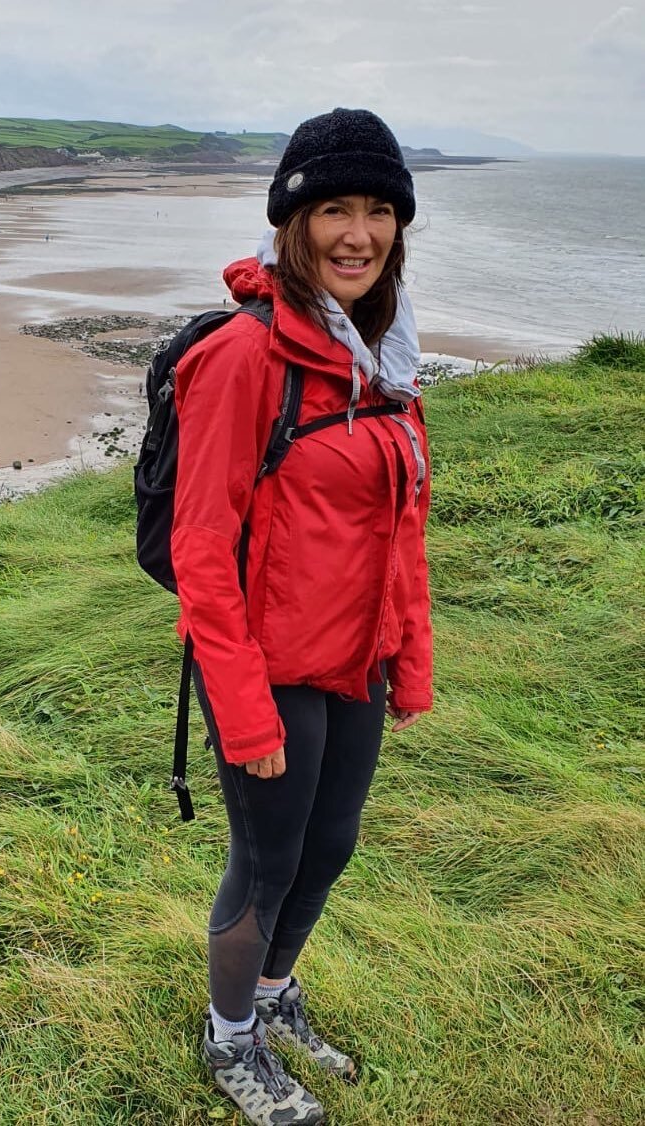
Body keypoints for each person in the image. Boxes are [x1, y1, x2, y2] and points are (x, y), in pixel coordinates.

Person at [170, 108, 434, 1125]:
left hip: (354, 658)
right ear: (293, 222)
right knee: (268, 859)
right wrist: (241, 708)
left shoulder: (382, 360)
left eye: (379, 211)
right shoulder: (245, 357)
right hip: (267, 666)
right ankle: (228, 1034)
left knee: (329, 847)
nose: (359, 233)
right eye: (335, 209)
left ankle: (274, 1000)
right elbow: (202, 548)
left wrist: (405, 659)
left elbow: (398, 527)